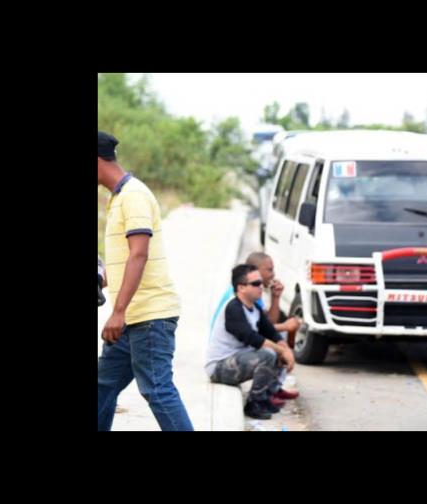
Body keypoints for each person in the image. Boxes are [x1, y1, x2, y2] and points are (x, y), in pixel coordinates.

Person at [96, 131, 193, 431]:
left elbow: (139, 254)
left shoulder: (134, 196)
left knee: (157, 390)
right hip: (133, 318)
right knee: (103, 385)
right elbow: (126, 260)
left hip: (149, 316)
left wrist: (118, 311)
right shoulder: (120, 197)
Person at [205, 264, 296, 419]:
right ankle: (254, 403)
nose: (261, 287)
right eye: (255, 284)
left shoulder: (254, 308)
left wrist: (285, 348)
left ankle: (267, 395)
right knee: (268, 354)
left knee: (277, 348)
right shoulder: (233, 308)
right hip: (219, 367)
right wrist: (282, 351)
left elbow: (271, 332)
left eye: (261, 283)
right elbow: (252, 338)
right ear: (241, 288)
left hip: (238, 359)